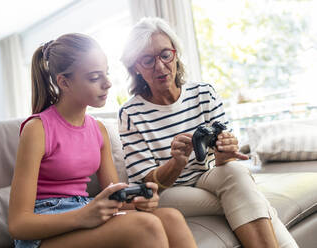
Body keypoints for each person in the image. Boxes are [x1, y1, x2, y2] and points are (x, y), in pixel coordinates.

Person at [119, 17, 299, 248]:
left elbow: (225, 162)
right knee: (247, 194)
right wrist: (177, 163)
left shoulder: (203, 93)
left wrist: (226, 151)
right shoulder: (131, 113)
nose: (160, 66)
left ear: (175, 54)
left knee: (236, 172)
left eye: (165, 54)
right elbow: (148, 183)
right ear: (136, 67)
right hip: (169, 192)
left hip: (208, 178)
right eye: (147, 60)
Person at [8, 33, 198, 248]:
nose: (107, 83)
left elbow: (116, 197)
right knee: (145, 226)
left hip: (83, 214)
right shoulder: (37, 129)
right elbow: (18, 225)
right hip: (43, 234)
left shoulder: (98, 130)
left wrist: (139, 201)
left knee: (171, 218)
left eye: (106, 74)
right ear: (64, 82)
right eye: (94, 77)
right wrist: (82, 216)